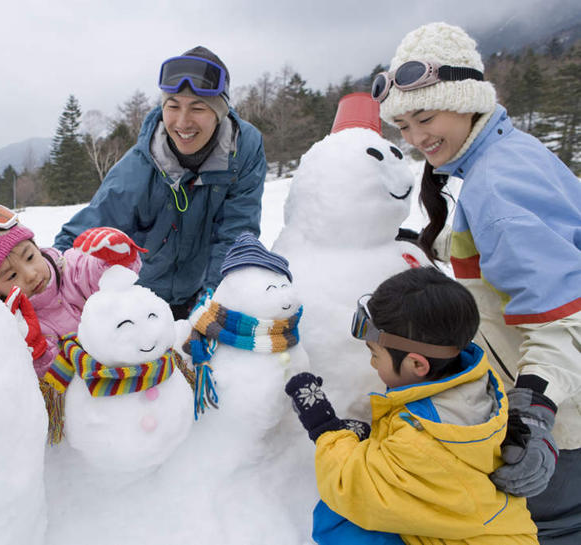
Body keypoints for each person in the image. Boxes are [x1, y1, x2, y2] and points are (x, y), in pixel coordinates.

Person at [374, 21, 581, 544]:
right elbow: (504, 253)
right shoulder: (504, 159)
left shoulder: (499, 186)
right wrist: (431, 242)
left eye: (425, 117)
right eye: (403, 125)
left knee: (549, 529)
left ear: (466, 102)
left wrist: (534, 412)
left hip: (566, 417)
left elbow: (567, 318)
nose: (417, 138)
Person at [285, 266, 538, 545]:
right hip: (484, 529)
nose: (371, 363)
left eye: (374, 354)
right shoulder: (475, 380)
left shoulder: (422, 438)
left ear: (417, 364)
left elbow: (353, 489)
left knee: (336, 521)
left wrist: (326, 428)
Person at [53, 46, 267, 320]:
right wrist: (43, 273)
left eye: (198, 108)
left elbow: (236, 232)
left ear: (219, 112)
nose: (182, 122)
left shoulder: (243, 151)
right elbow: (82, 237)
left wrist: (215, 302)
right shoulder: (139, 168)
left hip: (201, 293)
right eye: (173, 106)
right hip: (142, 304)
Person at [0, 203, 145, 378]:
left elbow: (109, 274)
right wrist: (37, 353)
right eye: (11, 276)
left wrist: (117, 257)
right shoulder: (15, 329)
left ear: (36, 246)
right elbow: (48, 389)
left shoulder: (72, 270)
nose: (30, 275)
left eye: (30, 257)